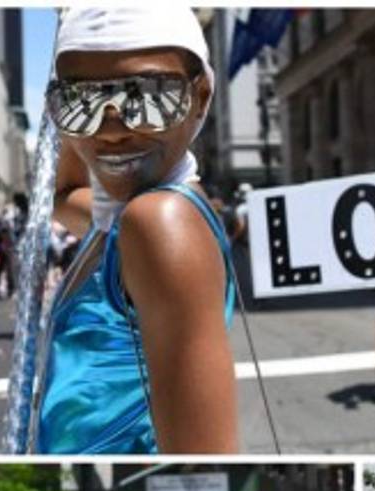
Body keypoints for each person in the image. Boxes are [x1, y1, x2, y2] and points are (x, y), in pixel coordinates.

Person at [26, 8, 238, 454]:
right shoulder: (118, 219)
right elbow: (63, 194)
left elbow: (204, 458)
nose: (112, 131)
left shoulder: (157, 223)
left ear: (201, 96)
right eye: (80, 102)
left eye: (147, 96)